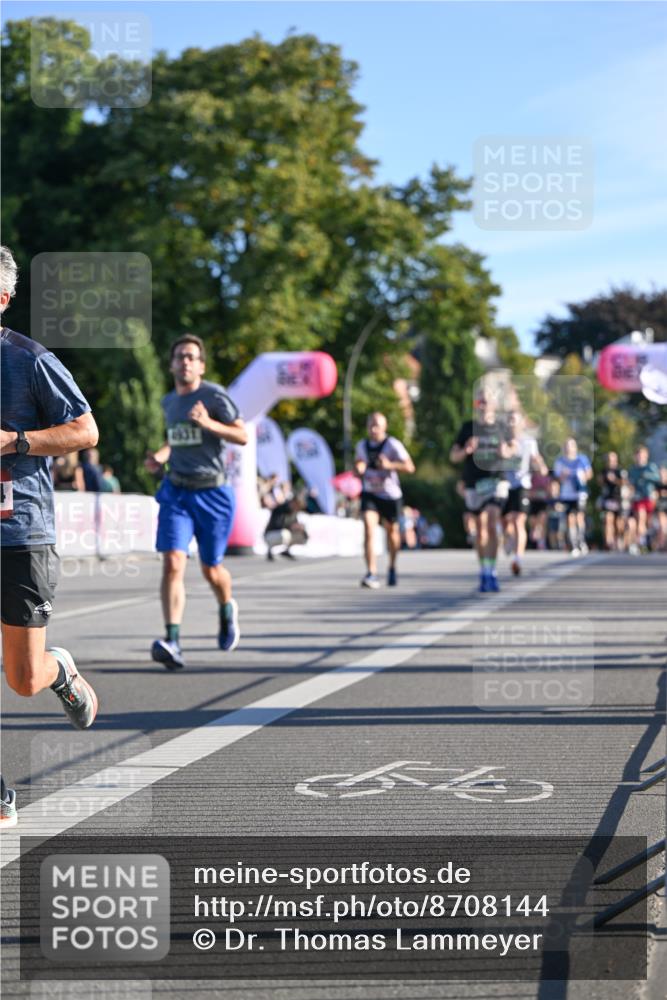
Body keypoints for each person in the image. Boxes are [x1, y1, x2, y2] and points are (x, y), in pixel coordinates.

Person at [0, 245, 100, 829]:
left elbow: (86, 430)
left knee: (22, 677)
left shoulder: (30, 360)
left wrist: (14, 442)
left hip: (21, 535)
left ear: (4, 298)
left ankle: (56, 670)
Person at [145, 334, 247, 669]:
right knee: (173, 562)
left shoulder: (214, 395)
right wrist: (160, 457)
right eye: (180, 357)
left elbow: (241, 435)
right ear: (172, 364)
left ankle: (227, 606)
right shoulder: (169, 402)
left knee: (211, 568)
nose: (185, 362)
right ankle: (172, 640)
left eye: (191, 357)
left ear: (200, 365)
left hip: (213, 493)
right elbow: (175, 440)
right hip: (176, 491)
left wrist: (207, 422)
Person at [450, 388, 516, 592]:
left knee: (490, 521)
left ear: (494, 405)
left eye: (487, 401)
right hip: (474, 482)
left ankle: (492, 572)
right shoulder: (468, 428)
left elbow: (514, 448)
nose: (483, 404)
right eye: (480, 401)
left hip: (496, 480)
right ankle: (484, 571)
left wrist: (506, 451)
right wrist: (465, 450)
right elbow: (453, 456)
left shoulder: (502, 427)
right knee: (480, 531)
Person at [354, 412, 415, 588]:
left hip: (390, 495)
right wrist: (358, 468)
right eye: (370, 426)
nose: (373, 430)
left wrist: (390, 465)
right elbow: (358, 464)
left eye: (377, 426)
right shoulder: (362, 445)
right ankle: (371, 573)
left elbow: (410, 467)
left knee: (392, 533)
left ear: (384, 427)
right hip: (370, 493)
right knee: (368, 528)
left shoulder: (393, 445)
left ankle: (392, 566)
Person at [502, 411, 547, 575]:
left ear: (521, 423)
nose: (512, 423)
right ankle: (508, 539)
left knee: (519, 521)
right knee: (506, 522)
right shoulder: (503, 440)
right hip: (505, 485)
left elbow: (536, 458)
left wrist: (541, 466)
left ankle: (518, 559)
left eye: (514, 420)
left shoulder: (529, 442)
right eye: (509, 420)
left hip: (522, 484)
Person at [553, 438, 592, 556]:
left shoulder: (582, 459)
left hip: (580, 493)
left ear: (575, 447)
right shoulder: (560, 461)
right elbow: (558, 479)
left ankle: (581, 542)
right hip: (566, 494)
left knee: (579, 516)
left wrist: (582, 477)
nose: (568, 448)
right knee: (570, 518)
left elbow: (589, 474)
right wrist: (564, 475)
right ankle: (573, 544)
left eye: (571, 445)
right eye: (566, 446)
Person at [627, 445, 660, 553]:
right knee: (639, 519)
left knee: (648, 523)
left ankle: (647, 541)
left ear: (646, 456)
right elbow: (630, 483)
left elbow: (658, 478)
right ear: (635, 457)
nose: (640, 457)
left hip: (649, 497)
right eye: (638, 455)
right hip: (637, 498)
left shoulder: (650, 467)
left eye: (642, 455)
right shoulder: (633, 469)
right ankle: (640, 543)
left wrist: (647, 475)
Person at [264, 492, 308, 560]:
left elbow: (294, 524)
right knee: (285, 534)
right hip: (271, 534)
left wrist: (300, 528)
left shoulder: (294, 512)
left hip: (285, 533)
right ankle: (270, 550)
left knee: (301, 536)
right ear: (293, 502)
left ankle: (286, 550)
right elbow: (277, 525)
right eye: (297, 505)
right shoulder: (280, 509)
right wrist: (291, 527)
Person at [598, 452, 624, 551]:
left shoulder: (619, 471)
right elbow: (600, 483)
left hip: (617, 498)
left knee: (618, 523)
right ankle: (609, 542)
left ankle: (619, 539)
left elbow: (624, 483)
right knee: (608, 519)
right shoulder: (604, 471)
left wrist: (614, 480)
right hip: (607, 499)